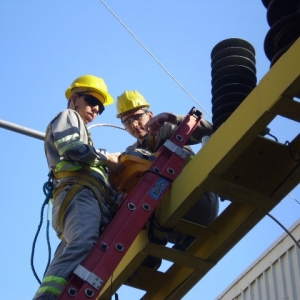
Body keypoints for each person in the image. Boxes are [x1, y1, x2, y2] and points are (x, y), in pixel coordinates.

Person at [33, 75, 121, 300]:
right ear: (75, 98)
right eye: (91, 100)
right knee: (83, 243)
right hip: (78, 194)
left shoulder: (85, 134)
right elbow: (72, 148)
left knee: (86, 252)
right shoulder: (68, 116)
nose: (95, 109)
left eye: (100, 107)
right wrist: (107, 158)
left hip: (86, 197)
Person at [115, 90, 219, 255]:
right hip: (169, 221)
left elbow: (210, 129)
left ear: (150, 114)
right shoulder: (131, 153)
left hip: (195, 199)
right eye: (127, 121)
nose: (133, 125)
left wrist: (171, 117)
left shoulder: (168, 129)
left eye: (136, 117)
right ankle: (148, 255)